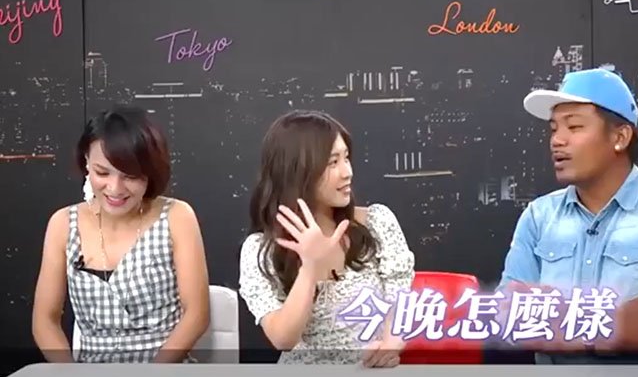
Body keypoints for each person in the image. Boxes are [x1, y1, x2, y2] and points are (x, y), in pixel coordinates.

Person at [497, 67, 638, 364]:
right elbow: (508, 316)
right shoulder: (539, 216)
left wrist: (559, 319)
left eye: (574, 127)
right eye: (554, 129)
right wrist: (614, 325)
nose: (557, 140)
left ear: (620, 137)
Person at [32, 105, 210, 363]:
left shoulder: (177, 216)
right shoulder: (63, 224)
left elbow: (197, 315)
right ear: (86, 162)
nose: (115, 189)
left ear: (149, 172)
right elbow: (44, 321)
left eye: (130, 176)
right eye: (102, 173)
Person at [239, 110, 416, 366]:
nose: (347, 172)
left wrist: (390, 345)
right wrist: (310, 266)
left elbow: (401, 300)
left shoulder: (377, 222)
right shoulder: (260, 250)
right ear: (297, 172)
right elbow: (284, 338)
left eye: (346, 158)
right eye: (333, 162)